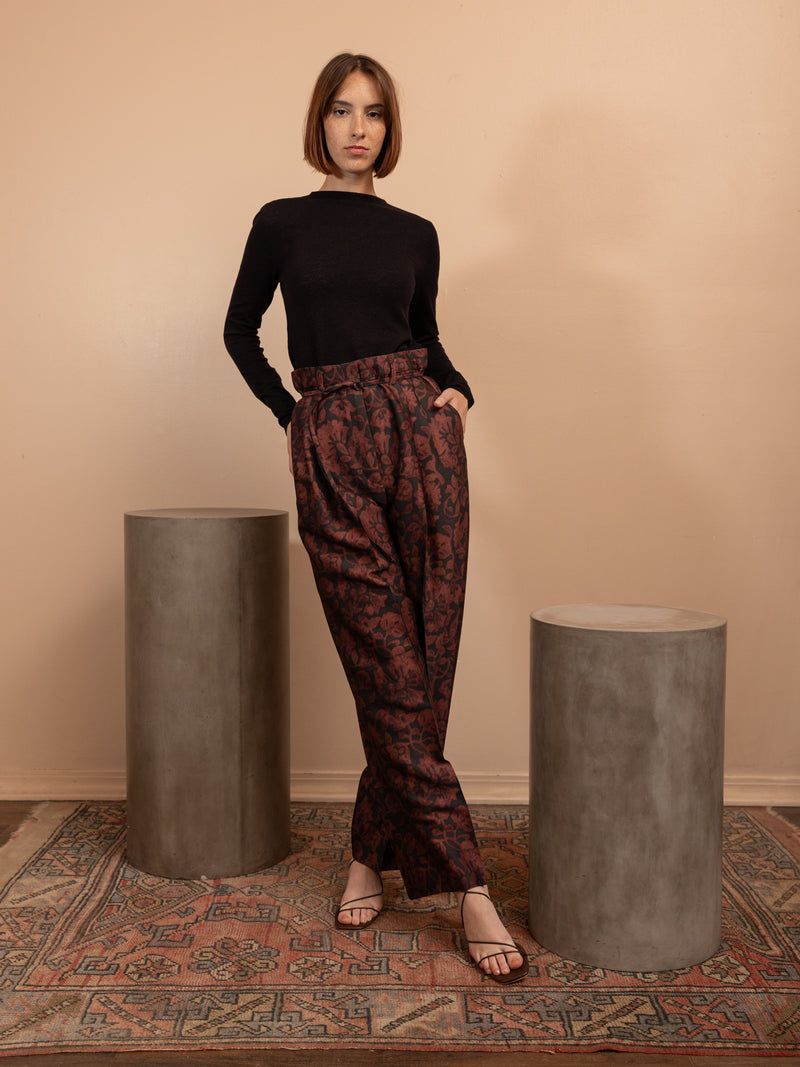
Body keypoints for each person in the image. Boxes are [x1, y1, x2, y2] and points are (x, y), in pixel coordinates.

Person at [223, 53, 528, 984]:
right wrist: (293, 416)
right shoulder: (281, 222)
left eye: (375, 114)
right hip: (333, 437)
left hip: (422, 436)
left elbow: (426, 338)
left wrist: (459, 393)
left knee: (423, 663)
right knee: (385, 664)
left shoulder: (416, 232)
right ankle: (470, 885)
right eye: (342, 111)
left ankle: (369, 852)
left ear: (390, 130)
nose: (358, 128)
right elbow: (239, 329)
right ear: (318, 122)